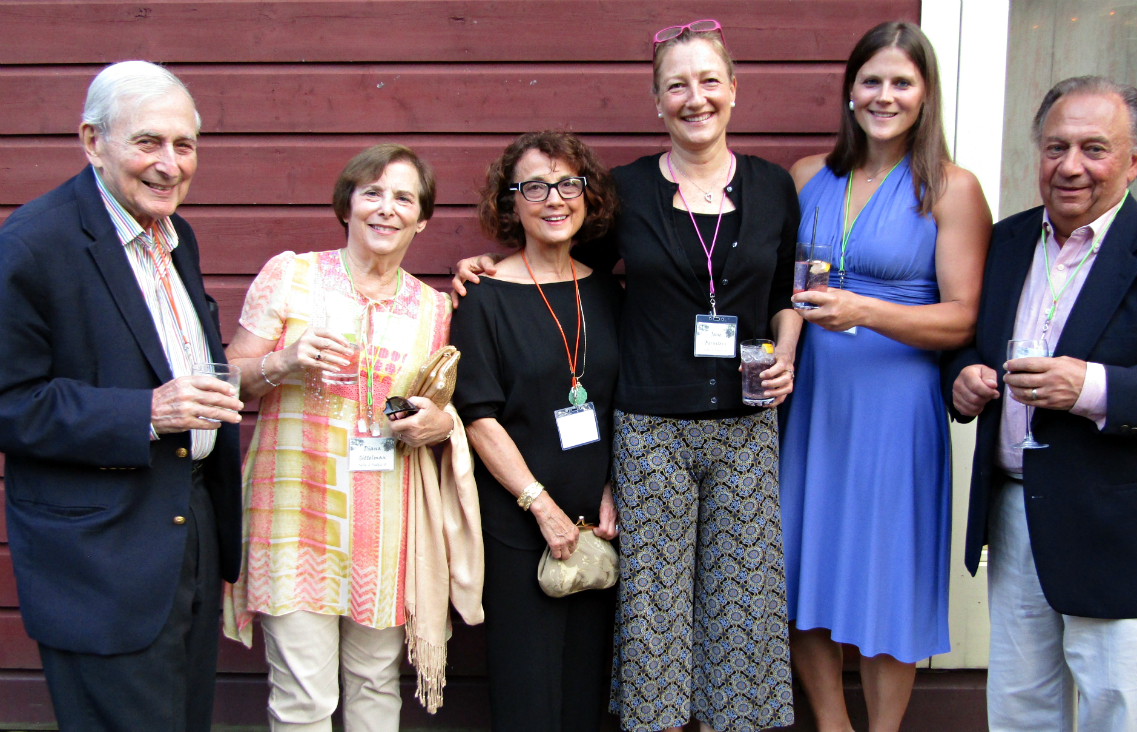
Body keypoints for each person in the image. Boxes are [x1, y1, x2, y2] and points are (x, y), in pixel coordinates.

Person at [454, 20, 799, 732]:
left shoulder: (772, 188)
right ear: (656, 100)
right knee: (655, 621)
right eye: (677, 84)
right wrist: (485, 265)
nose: (694, 97)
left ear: (734, 90)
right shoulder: (631, 191)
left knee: (742, 614)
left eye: (709, 80)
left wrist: (788, 349)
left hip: (745, 423)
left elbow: (781, 298)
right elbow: (560, 252)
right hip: (652, 431)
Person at [947, 76, 1137, 732]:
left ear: (1135, 159)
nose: (1071, 166)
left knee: (1119, 715)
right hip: (1017, 514)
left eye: (1095, 148)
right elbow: (967, 342)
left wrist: (1090, 388)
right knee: (1021, 711)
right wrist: (963, 378)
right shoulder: (1005, 242)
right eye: (1056, 147)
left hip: (1127, 533)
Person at [0, 61, 243, 730]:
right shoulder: (32, 245)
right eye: (148, 142)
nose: (171, 164)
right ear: (92, 141)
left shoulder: (177, 235)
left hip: (184, 531)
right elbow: (8, 402)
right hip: (101, 560)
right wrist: (145, 412)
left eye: (185, 144)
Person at [222, 143, 483, 731]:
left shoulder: (435, 308)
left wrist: (441, 426)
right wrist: (283, 361)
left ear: (422, 219)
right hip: (295, 518)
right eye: (372, 193)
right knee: (303, 700)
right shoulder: (291, 275)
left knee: (375, 686)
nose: (386, 209)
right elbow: (231, 382)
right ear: (347, 205)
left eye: (403, 198)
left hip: (386, 528)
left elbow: (444, 410)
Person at [778, 21, 992, 732]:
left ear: (926, 93)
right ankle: (833, 724)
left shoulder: (951, 189)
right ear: (849, 90)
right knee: (800, 566)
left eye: (902, 82)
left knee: (887, 578)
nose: (885, 95)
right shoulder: (810, 177)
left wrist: (864, 309)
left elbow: (962, 319)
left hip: (897, 411)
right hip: (812, 406)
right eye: (872, 80)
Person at [450, 130, 622, 732]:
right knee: (528, 694)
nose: (555, 198)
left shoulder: (606, 290)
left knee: (583, 692)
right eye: (535, 187)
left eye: (568, 183)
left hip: (597, 525)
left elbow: (618, 402)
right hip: (520, 524)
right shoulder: (483, 297)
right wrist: (540, 506)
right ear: (510, 202)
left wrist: (609, 489)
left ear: (588, 195)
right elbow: (479, 418)